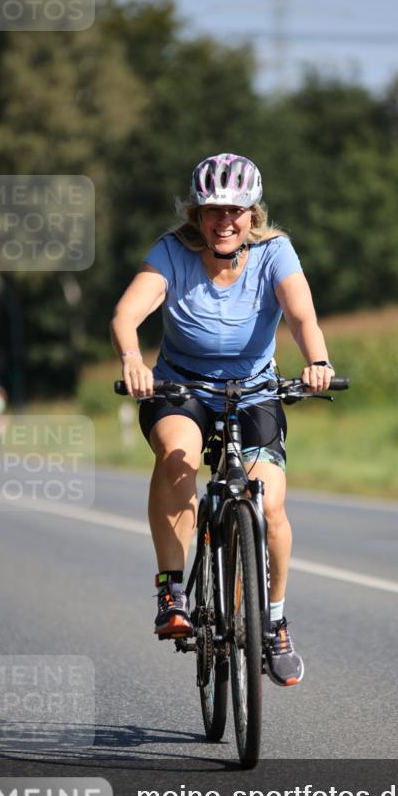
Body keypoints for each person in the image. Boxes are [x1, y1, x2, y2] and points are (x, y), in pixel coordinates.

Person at [110, 153, 335, 687]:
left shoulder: (274, 252)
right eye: (213, 211)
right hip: (179, 388)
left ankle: (274, 623)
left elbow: (302, 314)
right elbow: (126, 314)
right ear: (196, 215)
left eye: (236, 210)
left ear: (253, 215)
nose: (224, 220)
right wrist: (131, 359)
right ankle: (172, 590)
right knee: (177, 458)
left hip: (254, 390)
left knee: (270, 502)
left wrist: (318, 361)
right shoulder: (171, 252)